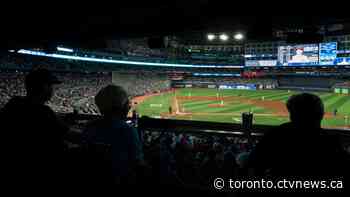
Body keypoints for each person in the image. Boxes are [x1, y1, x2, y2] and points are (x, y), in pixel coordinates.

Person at [248, 93, 349, 177]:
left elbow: (253, 164)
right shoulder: (331, 141)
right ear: (321, 114)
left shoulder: (275, 134)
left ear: (292, 115)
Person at [0, 69, 68, 190]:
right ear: (42, 87)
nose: (53, 90)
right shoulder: (44, 112)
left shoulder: (13, 103)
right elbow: (68, 133)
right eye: (50, 85)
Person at [83, 85, 144, 185]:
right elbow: (138, 164)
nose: (129, 105)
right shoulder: (126, 130)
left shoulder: (89, 127)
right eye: (127, 103)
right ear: (122, 107)